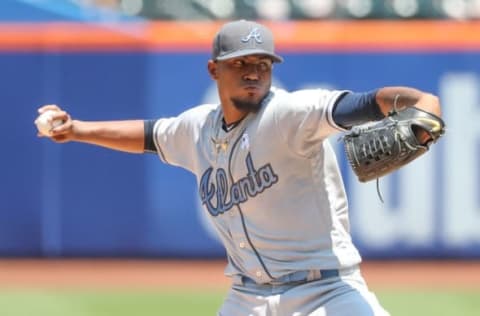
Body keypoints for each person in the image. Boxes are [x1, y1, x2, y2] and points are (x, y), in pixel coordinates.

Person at [36, 20, 441, 316]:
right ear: (214, 69)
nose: (252, 71)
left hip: (327, 292)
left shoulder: (289, 113)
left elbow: (368, 102)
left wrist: (424, 102)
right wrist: (79, 130)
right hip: (248, 299)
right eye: (240, 62)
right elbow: (149, 135)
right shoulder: (197, 128)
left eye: (262, 63)